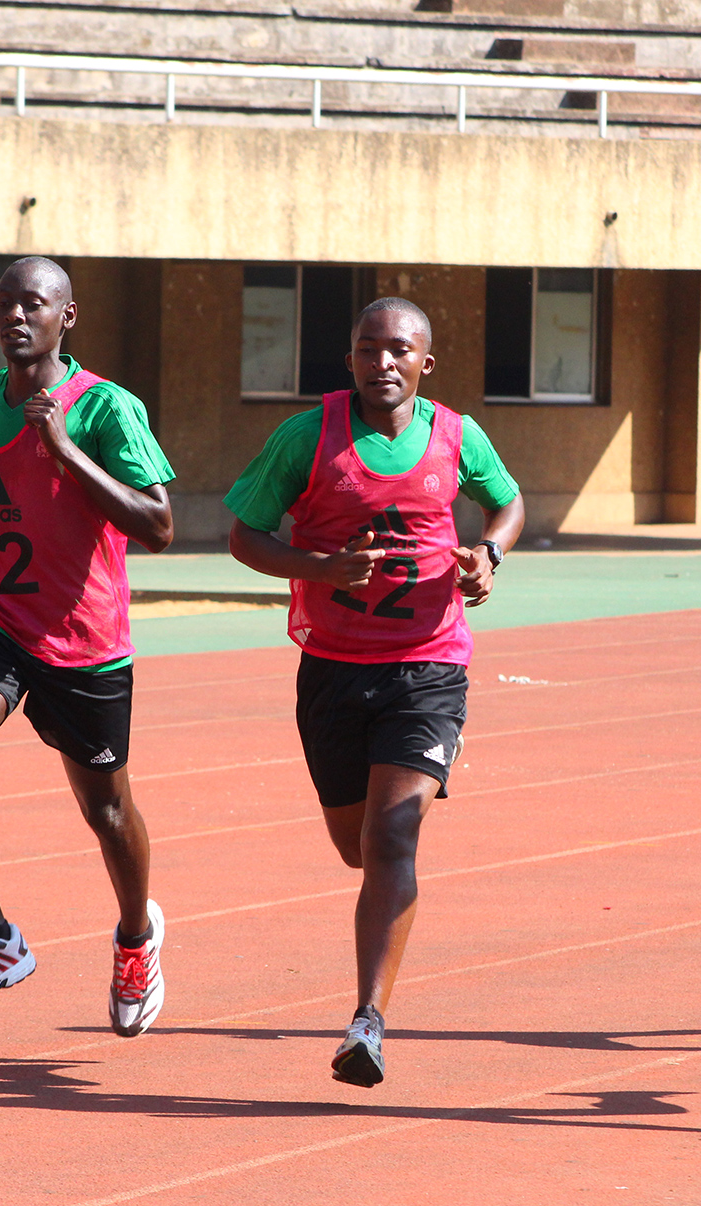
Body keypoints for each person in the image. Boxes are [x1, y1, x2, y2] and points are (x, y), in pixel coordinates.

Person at [225, 297, 523, 1087]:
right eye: (368, 349)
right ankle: (377, 954)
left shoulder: (458, 436)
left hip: (429, 667)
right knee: (355, 847)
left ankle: (367, 1022)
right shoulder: (308, 435)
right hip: (331, 668)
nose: (382, 363)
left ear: (426, 362)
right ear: (350, 360)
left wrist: (489, 553)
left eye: (399, 350)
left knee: (394, 837)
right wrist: (320, 569)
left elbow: (508, 500)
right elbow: (244, 536)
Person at [0, 256, 176, 1036]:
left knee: (105, 809)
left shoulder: (105, 408)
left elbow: (159, 524)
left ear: (69, 316)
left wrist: (66, 450)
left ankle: (136, 935)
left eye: (33, 303)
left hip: (81, 638)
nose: (15, 317)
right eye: (5, 304)